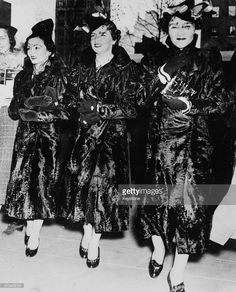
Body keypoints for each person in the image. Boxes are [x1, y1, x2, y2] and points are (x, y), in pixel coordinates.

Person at [137, 1, 229, 291]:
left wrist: (190, 104)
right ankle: (159, 250)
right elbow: (138, 100)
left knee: (190, 210)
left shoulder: (208, 59)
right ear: (166, 30)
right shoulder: (154, 59)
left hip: (193, 145)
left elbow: (223, 101)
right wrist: (162, 75)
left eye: (186, 26)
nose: (180, 31)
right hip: (158, 144)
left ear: (195, 30)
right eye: (174, 25)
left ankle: (177, 272)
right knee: (154, 205)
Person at [61, 13, 145, 268]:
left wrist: (102, 110)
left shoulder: (127, 69)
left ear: (114, 39)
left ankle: (94, 241)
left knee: (102, 191)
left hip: (110, 141)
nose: (97, 39)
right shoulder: (81, 67)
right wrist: (78, 109)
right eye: (93, 34)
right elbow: (69, 99)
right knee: (83, 188)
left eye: (103, 34)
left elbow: (133, 107)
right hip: (83, 138)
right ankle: (87, 231)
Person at [4, 19, 69, 257]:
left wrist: (38, 115)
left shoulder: (60, 77)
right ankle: (30, 224)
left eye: (37, 47)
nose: (31, 52)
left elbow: (65, 111)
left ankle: (35, 231)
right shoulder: (22, 76)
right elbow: (14, 108)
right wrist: (21, 110)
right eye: (29, 48)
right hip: (24, 139)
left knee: (42, 185)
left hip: (47, 139)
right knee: (23, 184)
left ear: (49, 50)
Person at [0, 23, 24, 234]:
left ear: (11, 41)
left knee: (8, 160)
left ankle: (14, 213)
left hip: (9, 113)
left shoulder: (20, 60)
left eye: (2, 38)